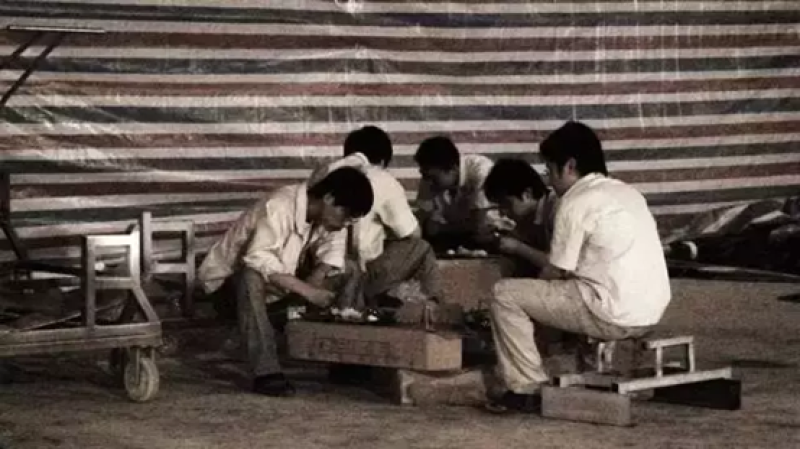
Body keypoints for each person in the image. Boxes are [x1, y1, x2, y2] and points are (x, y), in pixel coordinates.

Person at [485, 121, 671, 413]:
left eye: (550, 170)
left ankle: (527, 388)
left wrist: (532, 308)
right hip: (652, 310)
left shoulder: (574, 201)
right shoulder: (629, 193)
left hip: (611, 312)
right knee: (560, 291)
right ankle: (564, 360)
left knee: (504, 294)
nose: (548, 180)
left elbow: (556, 272)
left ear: (569, 166)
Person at [198, 167, 374, 396]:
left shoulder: (327, 218)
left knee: (349, 269)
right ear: (329, 198)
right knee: (250, 276)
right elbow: (256, 259)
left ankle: (344, 362)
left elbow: (334, 248)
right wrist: (308, 292)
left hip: (276, 292)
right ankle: (266, 371)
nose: (346, 223)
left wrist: (317, 276)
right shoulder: (279, 205)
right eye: (346, 214)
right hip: (227, 292)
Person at [308, 126, 441, 307]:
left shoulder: (324, 172)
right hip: (358, 273)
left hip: (318, 268)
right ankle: (432, 309)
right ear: (382, 160)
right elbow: (412, 233)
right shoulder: (380, 177)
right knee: (421, 248)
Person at [413, 136, 499, 251]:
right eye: (425, 176)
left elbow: (479, 226)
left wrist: (441, 228)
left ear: (452, 169)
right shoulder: (428, 179)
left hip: (492, 236)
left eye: (433, 178)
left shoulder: (480, 170)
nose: (429, 183)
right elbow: (427, 226)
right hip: (457, 236)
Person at [482, 158, 558, 276]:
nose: (502, 213)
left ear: (527, 194)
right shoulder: (529, 215)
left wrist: (518, 247)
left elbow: (558, 266)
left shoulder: (557, 209)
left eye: (506, 204)